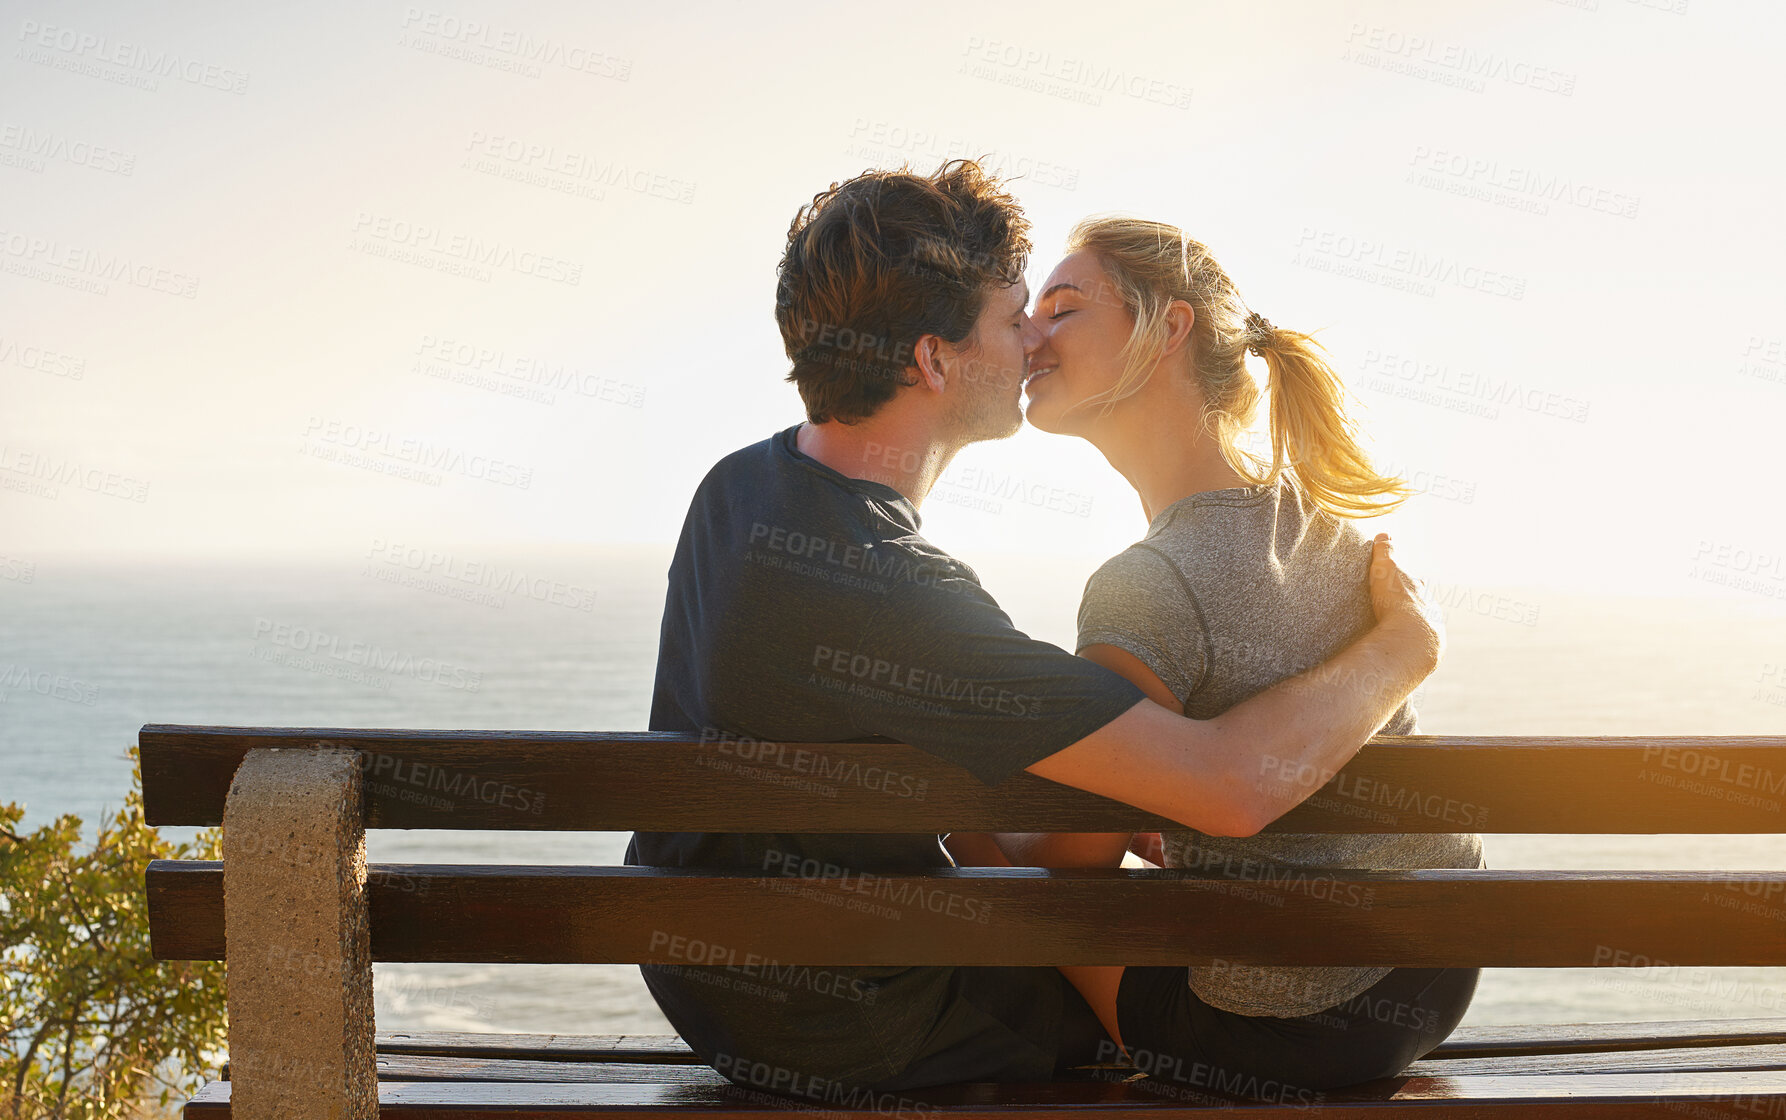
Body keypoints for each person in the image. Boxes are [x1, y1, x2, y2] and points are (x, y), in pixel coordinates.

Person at [624, 161, 1443, 1100]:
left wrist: (1111, 783)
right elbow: (1230, 787)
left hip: (718, 973)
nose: (1032, 343)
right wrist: (1407, 646)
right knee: (1134, 966)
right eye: (1016, 317)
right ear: (934, 359)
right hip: (860, 1018)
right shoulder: (898, 592)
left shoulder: (742, 488)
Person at [987, 216, 1482, 1090]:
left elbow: (1071, 867)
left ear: (1169, 329)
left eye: (1062, 310)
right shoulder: (1336, 531)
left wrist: (961, 824)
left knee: (998, 877)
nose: (1031, 335)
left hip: (1293, 1026)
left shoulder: (1144, 583)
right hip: (1441, 966)